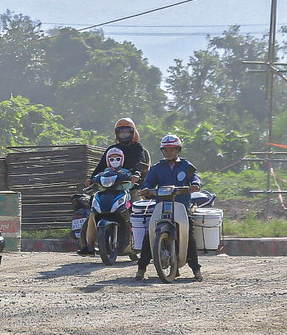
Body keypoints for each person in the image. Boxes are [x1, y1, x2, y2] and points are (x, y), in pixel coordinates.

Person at [136, 133, 203, 281]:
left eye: (172, 149)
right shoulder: (157, 168)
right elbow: (149, 182)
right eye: (166, 150)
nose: (169, 152)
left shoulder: (186, 166)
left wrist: (195, 184)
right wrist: (146, 189)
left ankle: (196, 270)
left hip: (181, 205)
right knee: (149, 233)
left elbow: (195, 177)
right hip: (161, 205)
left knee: (189, 235)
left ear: (178, 150)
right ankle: (141, 268)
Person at [79, 117, 150, 255]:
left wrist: (136, 174)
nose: (124, 135)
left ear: (133, 133)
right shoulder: (112, 149)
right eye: (121, 132)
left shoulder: (137, 148)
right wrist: (92, 179)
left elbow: (140, 162)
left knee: (140, 213)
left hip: (131, 187)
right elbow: (101, 166)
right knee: (94, 212)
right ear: (116, 134)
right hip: (110, 188)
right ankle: (89, 245)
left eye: (127, 132)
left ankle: (144, 246)